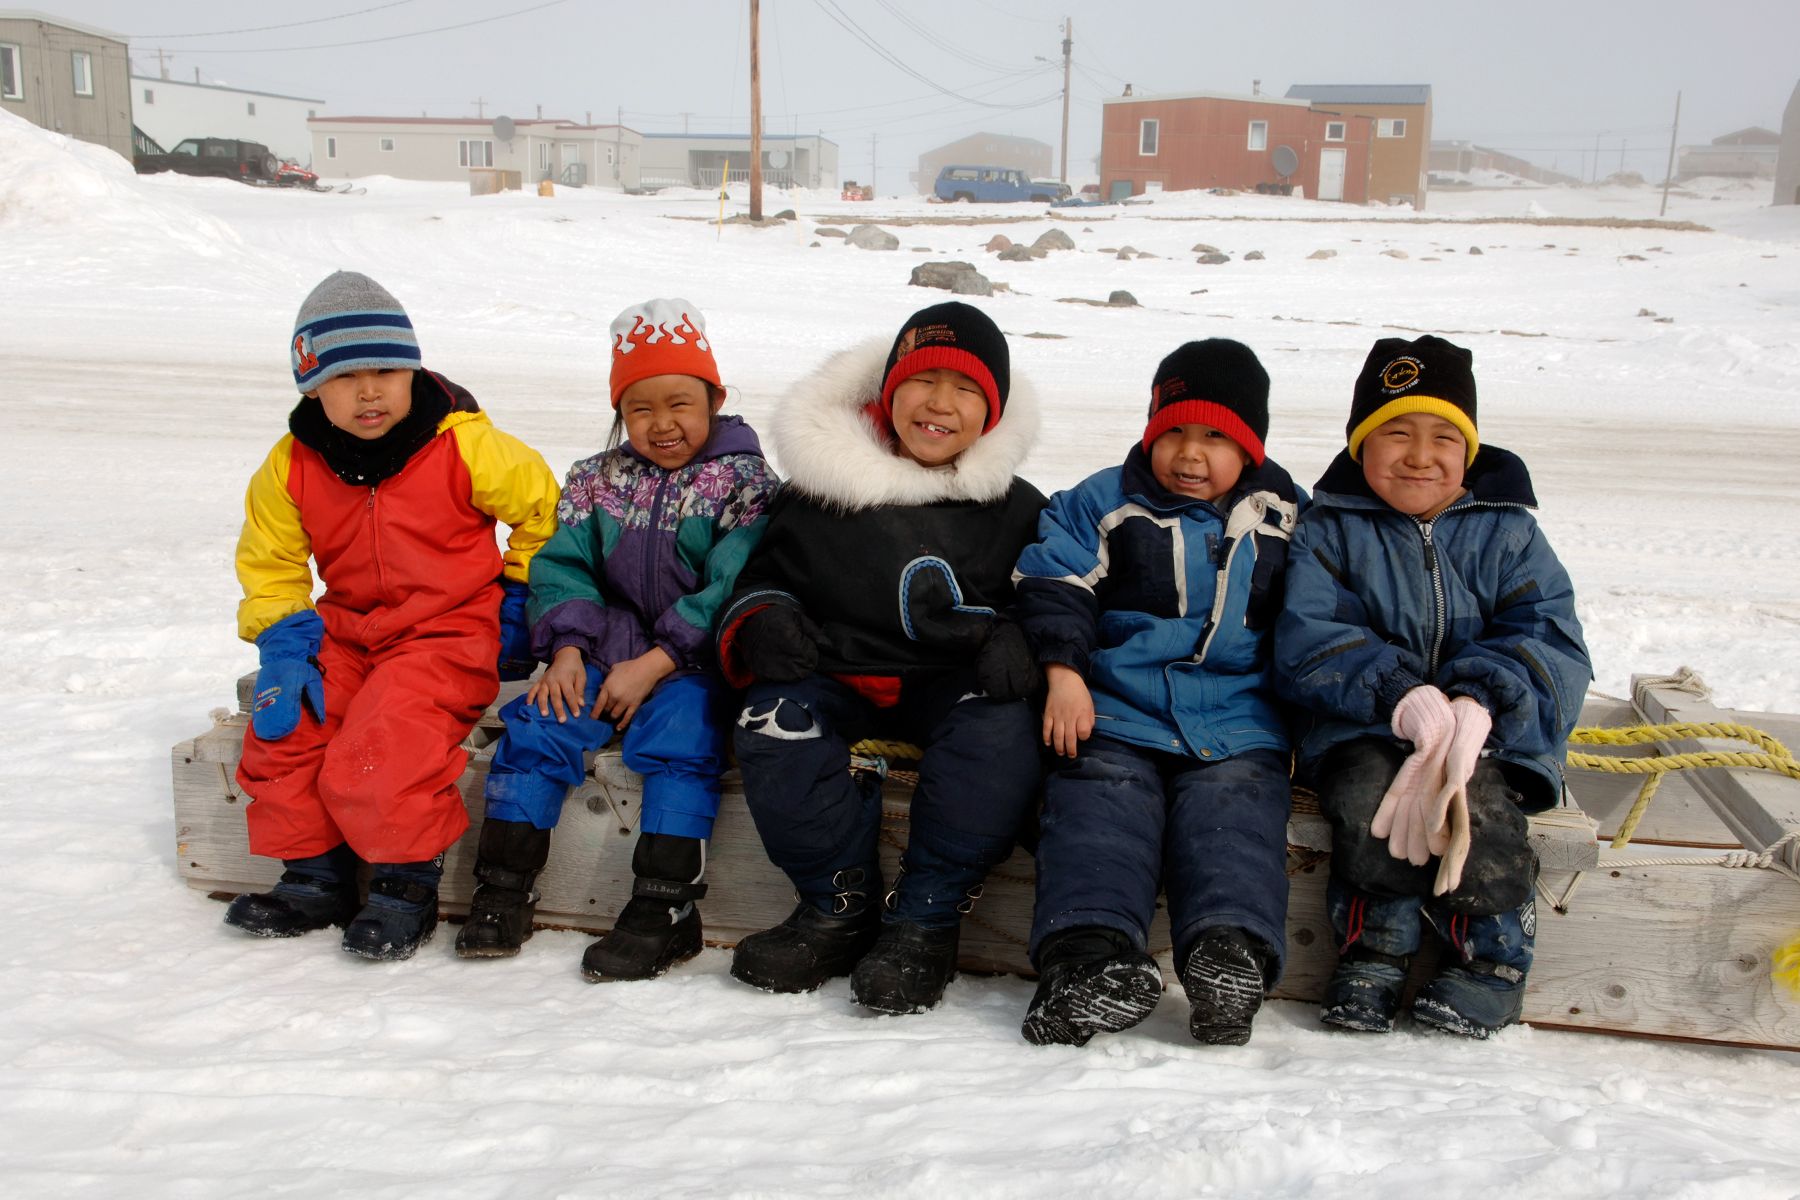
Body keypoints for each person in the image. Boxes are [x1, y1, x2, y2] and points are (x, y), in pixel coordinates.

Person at [717, 301, 1046, 1014]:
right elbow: (766, 575)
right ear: (887, 389)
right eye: (922, 380)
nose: (939, 403)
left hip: (952, 684)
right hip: (834, 670)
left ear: (992, 411)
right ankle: (835, 903)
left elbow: (1049, 592)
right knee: (774, 721)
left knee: (1001, 730)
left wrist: (1022, 634)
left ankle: (926, 915)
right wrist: (764, 618)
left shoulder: (1015, 507)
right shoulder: (825, 491)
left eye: (965, 389)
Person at [228, 270, 560, 960]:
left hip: (446, 632)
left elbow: (544, 512)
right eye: (347, 377)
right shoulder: (291, 464)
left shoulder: (464, 444)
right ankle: (315, 876)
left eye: (387, 370)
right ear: (312, 385)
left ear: (415, 373)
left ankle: (406, 884)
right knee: (285, 726)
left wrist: (519, 600)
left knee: (386, 742)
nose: (371, 391)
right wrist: (286, 642)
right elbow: (271, 561)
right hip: (345, 631)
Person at [1274, 334, 1591, 1038]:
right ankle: (1376, 952)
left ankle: (1494, 960)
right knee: (1368, 799)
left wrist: (1483, 700)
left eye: (1444, 436)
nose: (1420, 456)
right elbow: (1307, 637)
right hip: (1365, 721)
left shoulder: (1508, 532)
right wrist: (1396, 692)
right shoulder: (1329, 529)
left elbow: (1550, 633)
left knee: (1478, 803)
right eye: (1396, 433)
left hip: (1491, 729)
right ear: (1361, 445)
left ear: (1470, 450)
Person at [458, 299, 778, 981]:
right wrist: (568, 649)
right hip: (601, 648)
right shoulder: (595, 481)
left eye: (681, 403)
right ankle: (504, 889)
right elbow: (562, 564)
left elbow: (733, 582)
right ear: (620, 412)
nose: (662, 424)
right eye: (640, 408)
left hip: (692, 661)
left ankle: (666, 908)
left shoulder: (746, 485)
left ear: (715, 400)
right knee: (539, 722)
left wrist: (657, 664)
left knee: (685, 734)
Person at [1013, 339, 1302, 1047]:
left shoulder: (1288, 519)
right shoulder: (1103, 502)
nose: (1190, 454)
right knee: (1098, 806)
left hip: (1239, 721)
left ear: (1251, 448)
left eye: (1215, 437)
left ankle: (1226, 959)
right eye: (1173, 430)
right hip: (1117, 710)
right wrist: (1065, 674)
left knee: (1235, 816)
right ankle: (1087, 962)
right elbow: (1054, 585)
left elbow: (1321, 614)